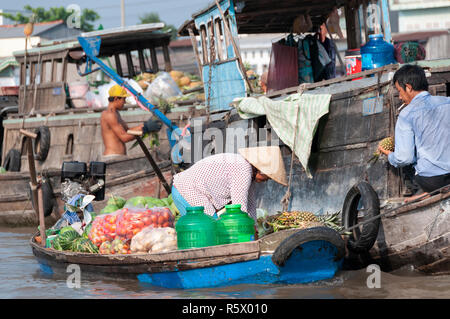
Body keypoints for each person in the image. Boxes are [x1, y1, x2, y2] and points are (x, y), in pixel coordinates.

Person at [378, 64, 450, 202]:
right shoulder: (448, 102)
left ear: (409, 88)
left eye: (400, 91)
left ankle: (425, 194)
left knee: (414, 170)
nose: (400, 97)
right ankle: (426, 194)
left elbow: (405, 158)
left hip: (432, 180)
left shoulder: (406, 114)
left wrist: (390, 156)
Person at [171, 146, 288, 222]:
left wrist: (254, 228)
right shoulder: (243, 168)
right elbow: (239, 208)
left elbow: (250, 204)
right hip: (187, 189)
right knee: (209, 229)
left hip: (188, 189)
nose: (267, 180)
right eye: (268, 176)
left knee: (211, 229)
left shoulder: (248, 172)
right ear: (261, 170)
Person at [100, 84, 162, 157]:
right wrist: (145, 129)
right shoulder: (109, 115)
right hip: (113, 156)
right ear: (116, 99)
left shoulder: (115, 113)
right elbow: (124, 137)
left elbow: (127, 131)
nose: (125, 102)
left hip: (119, 156)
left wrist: (144, 125)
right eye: (124, 99)